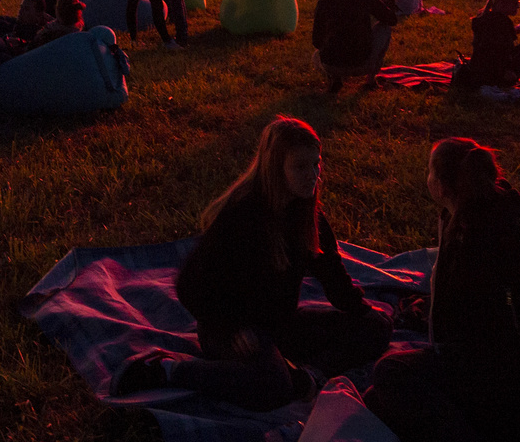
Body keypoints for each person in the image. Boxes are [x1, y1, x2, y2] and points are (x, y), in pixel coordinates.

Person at [114, 118, 392, 410]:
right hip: (233, 331)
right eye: (300, 167)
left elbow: (335, 281)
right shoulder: (243, 216)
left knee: (377, 327)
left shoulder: (307, 216)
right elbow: (190, 285)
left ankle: (306, 376)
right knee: (271, 386)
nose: (312, 175)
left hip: (280, 325)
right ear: (276, 169)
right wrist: (231, 329)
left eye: (316, 164)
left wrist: (366, 313)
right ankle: (166, 370)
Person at [364, 139, 520, 442]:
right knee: (374, 401)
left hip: (516, 388)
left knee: (391, 373)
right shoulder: (510, 220)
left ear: (442, 185)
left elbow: (473, 342)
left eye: (429, 171)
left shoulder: (472, 239)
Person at [311, 0, 397, 94]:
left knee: (319, 50)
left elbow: (316, 40)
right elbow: (391, 20)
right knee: (384, 27)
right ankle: (370, 80)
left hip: (331, 64)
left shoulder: (324, 2)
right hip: (363, 61)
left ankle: (335, 79)